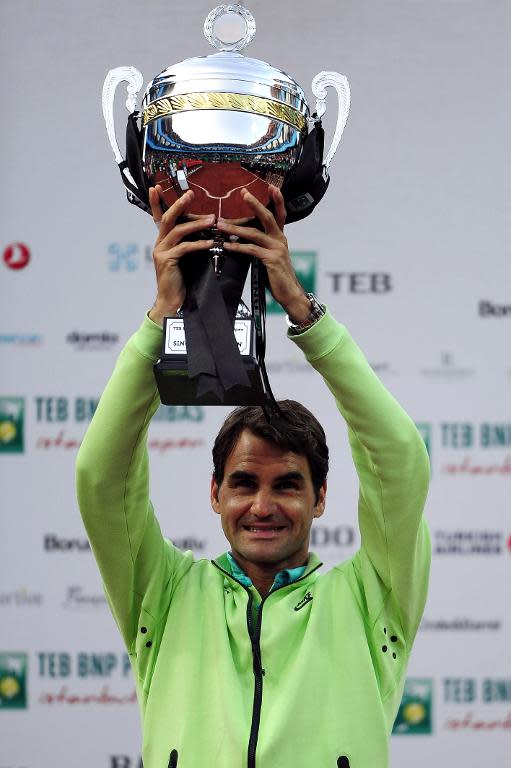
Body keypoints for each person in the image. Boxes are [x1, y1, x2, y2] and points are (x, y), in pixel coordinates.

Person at [76, 185, 431, 768]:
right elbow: (100, 475)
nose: (262, 505)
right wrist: (162, 321)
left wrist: (303, 312)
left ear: (320, 498)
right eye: (244, 483)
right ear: (215, 494)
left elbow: (399, 459)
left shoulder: (372, 599)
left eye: (287, 484)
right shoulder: (163, 595)